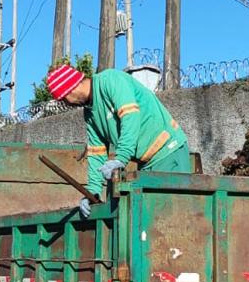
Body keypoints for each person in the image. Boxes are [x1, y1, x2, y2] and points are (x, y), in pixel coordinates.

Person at [45, 63, 191, 215]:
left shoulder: (111, 80)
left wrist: (121, 157)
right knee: (151, 220)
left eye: (64, 99)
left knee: (172, 216)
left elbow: (130, 116)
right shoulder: (89, 114)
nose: (67, 103)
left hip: (169, 152)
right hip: (147, 164)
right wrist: (93, 191)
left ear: (71, 88)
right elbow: (96, 152)